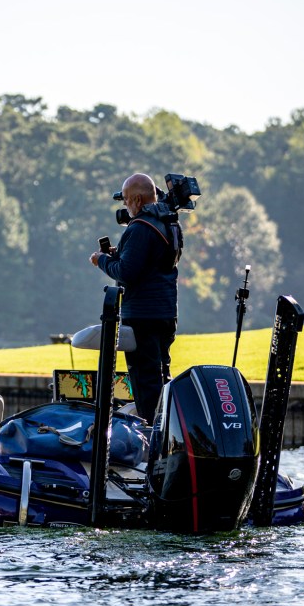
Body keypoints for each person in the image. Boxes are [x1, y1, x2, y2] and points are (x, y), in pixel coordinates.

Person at [89, 172, 180, 424]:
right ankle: (165, 428)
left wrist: (101, 260)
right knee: (162, 375)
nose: (126, 206)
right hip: (166, 313)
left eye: (127, 200)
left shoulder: (140, 227)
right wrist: (121, 253)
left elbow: (127, 272)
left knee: (145, 381)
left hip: (142, 315)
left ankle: (151, 435)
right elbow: (152, 263)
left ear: (138, 200)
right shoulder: (168, 223)